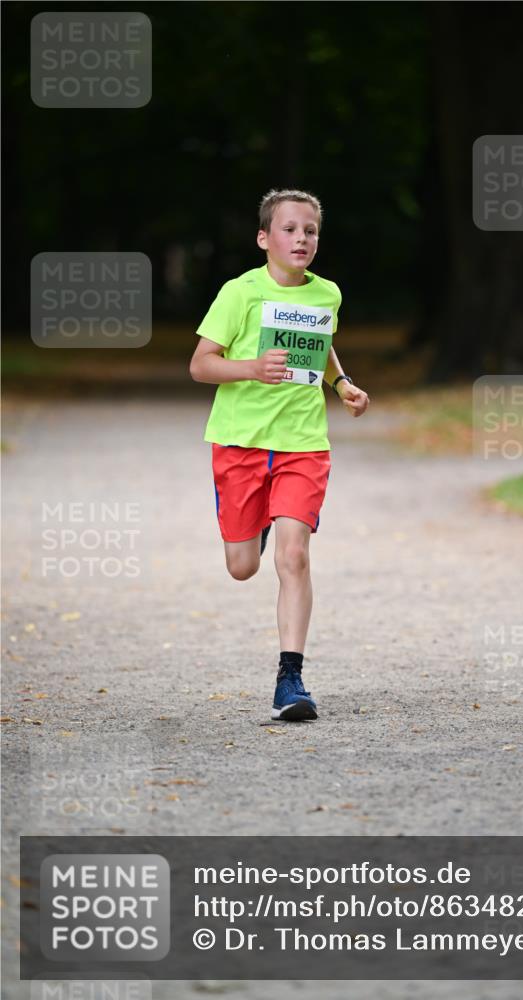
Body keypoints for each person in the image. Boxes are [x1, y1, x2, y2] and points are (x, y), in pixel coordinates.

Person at [190, 188, 369, 721]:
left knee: (294, 556)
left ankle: (290, 680)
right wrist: (251, 367)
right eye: (289, 229)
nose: (301, 239)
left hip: (302, 443)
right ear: (264, 238)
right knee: (243, 566)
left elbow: (322, 345)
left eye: (310, 230)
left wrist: (342, 385)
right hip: (240, 443)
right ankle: (260, 524)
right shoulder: (239, 293)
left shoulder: (327, 294)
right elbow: (201, 365)